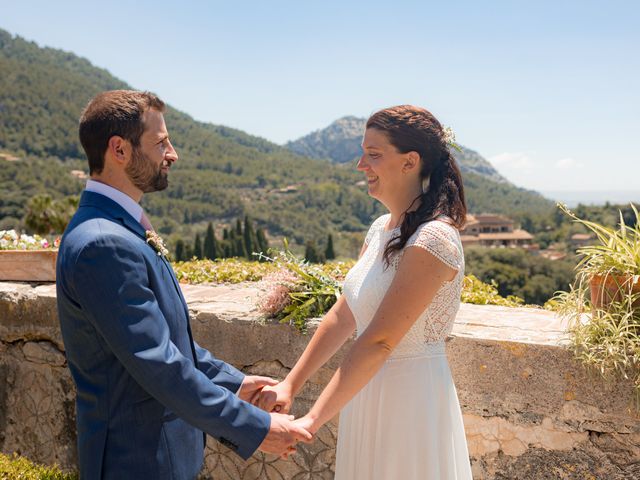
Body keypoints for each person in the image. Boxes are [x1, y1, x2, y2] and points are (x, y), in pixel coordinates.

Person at [56, 90, 311, 479]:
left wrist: (237, 383)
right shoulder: (103, 243)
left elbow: (170, 342)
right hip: (137, 460)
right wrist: (256, 427)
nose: (172, 154)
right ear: (119, 150)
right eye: (160, 143)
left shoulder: (117, 228)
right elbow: (158, 363)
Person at [256, 105, 473, 479]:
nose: (361, 165)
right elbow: (345, 313)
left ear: (410, 162)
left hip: (409, 402)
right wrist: (289, 384)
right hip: (366, 391)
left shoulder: (433, 238)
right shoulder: (378, 230)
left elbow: (380, 340)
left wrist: (311, 421)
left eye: (373, 155)